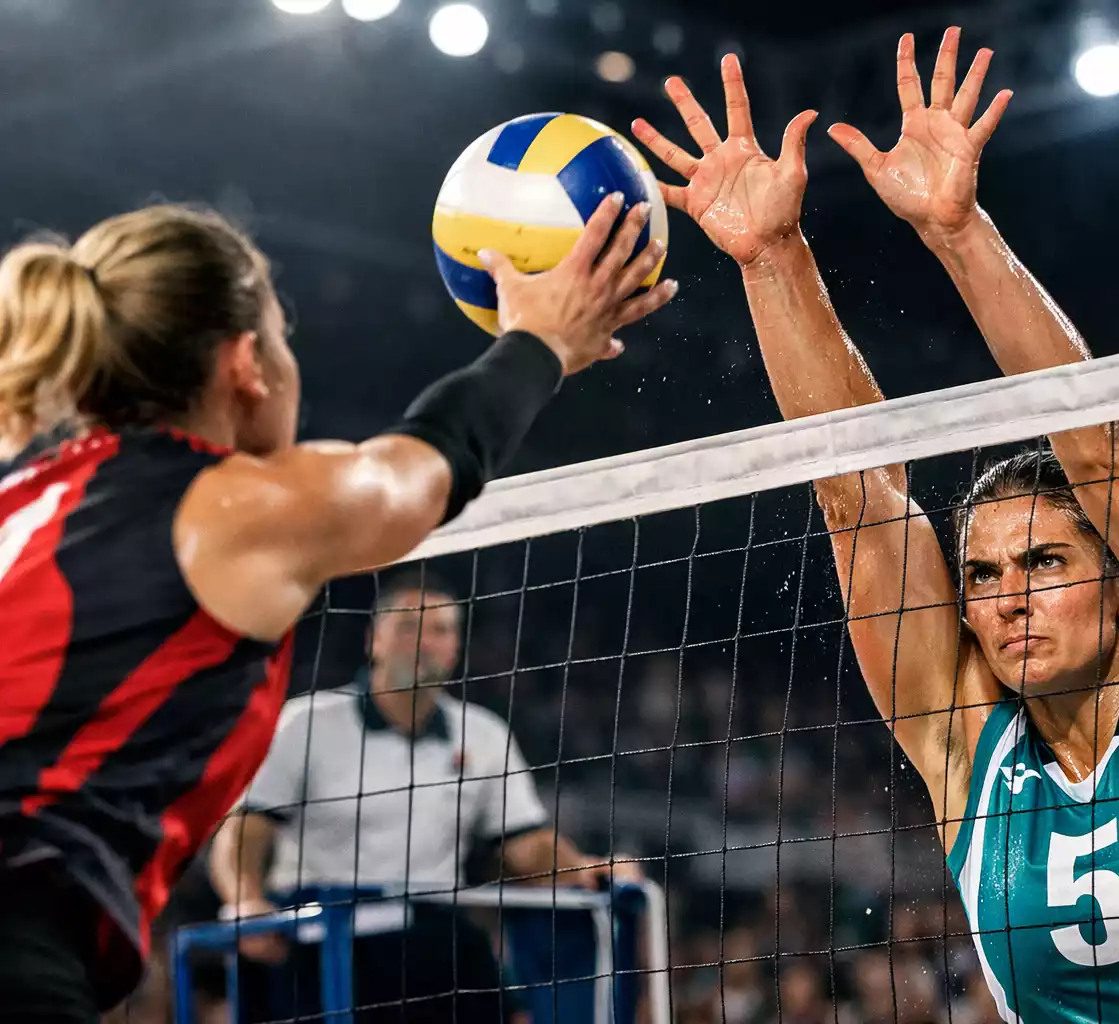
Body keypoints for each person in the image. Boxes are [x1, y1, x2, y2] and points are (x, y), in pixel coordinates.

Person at [633, 28, 1119, 1023]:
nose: (1006, 599)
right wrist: (771, 256)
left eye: (1043, 560)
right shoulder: (968, 751)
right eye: (983, 575)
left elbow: (1106, 453)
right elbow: (858, 501)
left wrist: (958, 232)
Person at [0, 197, 674, 1020]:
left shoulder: (20, 499)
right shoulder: (227, 507)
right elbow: (420, 470)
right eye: (287, 336)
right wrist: (539, 345)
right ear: (248, 362)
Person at [209, 569, 638, 1023]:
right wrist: (245, 900)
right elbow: (244, 830)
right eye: (407, 626)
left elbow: (525, 843)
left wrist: (582, 866)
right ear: (374, 639)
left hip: (433, 934)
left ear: (455, 647)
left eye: (440, 630)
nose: (424, 642)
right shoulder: (307, 722)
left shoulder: (483, 733)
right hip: (322, 931)